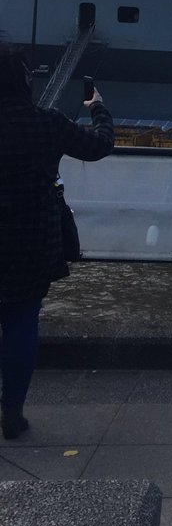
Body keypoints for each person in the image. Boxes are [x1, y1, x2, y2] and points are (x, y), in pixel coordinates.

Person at [0, 46, 113, 439]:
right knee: (21, 321)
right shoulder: (45, 122)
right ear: (23, 82)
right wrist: (97, 107)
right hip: (32, 238)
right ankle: (11, 413)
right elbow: (99, 146)